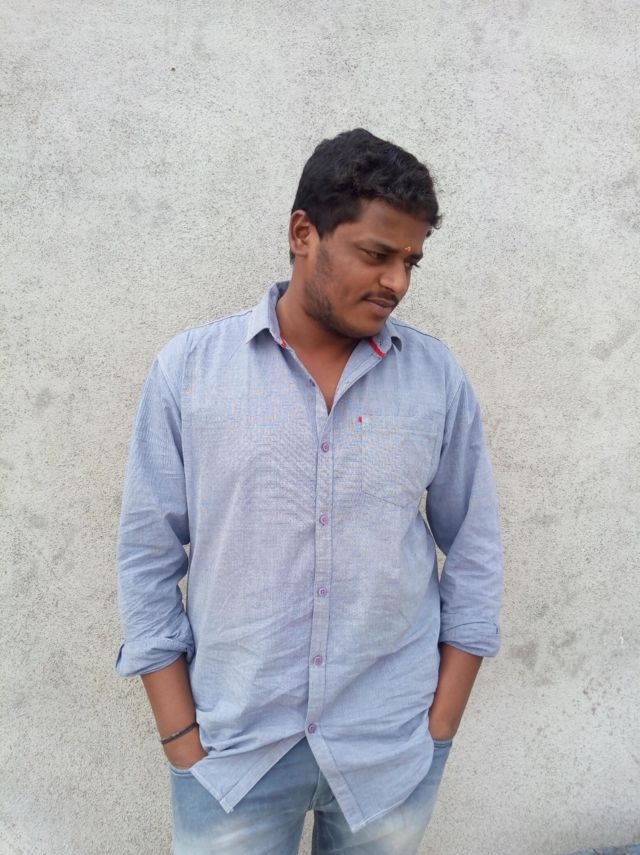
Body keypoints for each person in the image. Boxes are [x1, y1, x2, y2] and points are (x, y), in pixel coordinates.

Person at [114, 127, 504, 854]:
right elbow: (147, 557)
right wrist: (181, 739)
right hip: (233, 756)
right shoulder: (190, 372)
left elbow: (475, 550)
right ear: (303, 234)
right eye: (377, 254)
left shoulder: (436, 379)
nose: (397, 282)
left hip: (390, 750)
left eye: (411, 261)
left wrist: (440, 727)